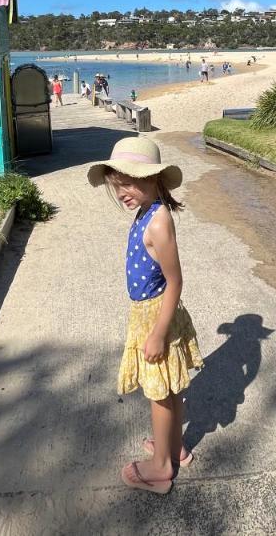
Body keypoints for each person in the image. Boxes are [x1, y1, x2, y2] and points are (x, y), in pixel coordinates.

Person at [88, 137, 204, 494]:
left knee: (159, 394)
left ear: (154, 179)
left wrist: (157, 333)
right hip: (147, 313)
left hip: (157, 316)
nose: (122, 191)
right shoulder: (146, 211)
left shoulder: (158, 222)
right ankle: (175, 447)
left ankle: (161, 467)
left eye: (130, 181)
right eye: (116, 183)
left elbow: (175, 281)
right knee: (169, 389)